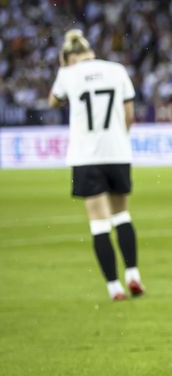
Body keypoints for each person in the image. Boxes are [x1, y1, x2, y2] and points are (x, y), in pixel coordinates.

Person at [49, 29, 144, 301]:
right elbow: (129, 116)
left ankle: (114, 287)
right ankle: (133, 274)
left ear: (70, 57)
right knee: (122, 216)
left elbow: (53, 101)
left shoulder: (68, 74)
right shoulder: (117, 70)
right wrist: (117, 141)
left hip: (86, 157)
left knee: (99, 224)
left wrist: (63, 70)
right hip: (117, 153)